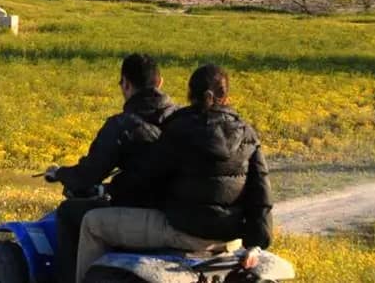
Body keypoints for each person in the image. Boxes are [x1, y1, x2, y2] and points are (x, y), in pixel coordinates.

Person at [74, 64, 273, 283]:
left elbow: (145, 177)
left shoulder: (179, 129)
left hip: (182, 232)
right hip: (230, 240)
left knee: (92, 222)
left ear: (190, 94)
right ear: (227, 96)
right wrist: (255, 245)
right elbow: (261, 195)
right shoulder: (248, 134)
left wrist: (106, 190)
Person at [44, 53, 177, 283]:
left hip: (145, 211)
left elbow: (87, 175)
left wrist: (60, 173)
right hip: (180, 210)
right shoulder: (181, 118)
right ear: (160, 82)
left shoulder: (122, 124)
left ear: (125, 84)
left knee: (68, 213)